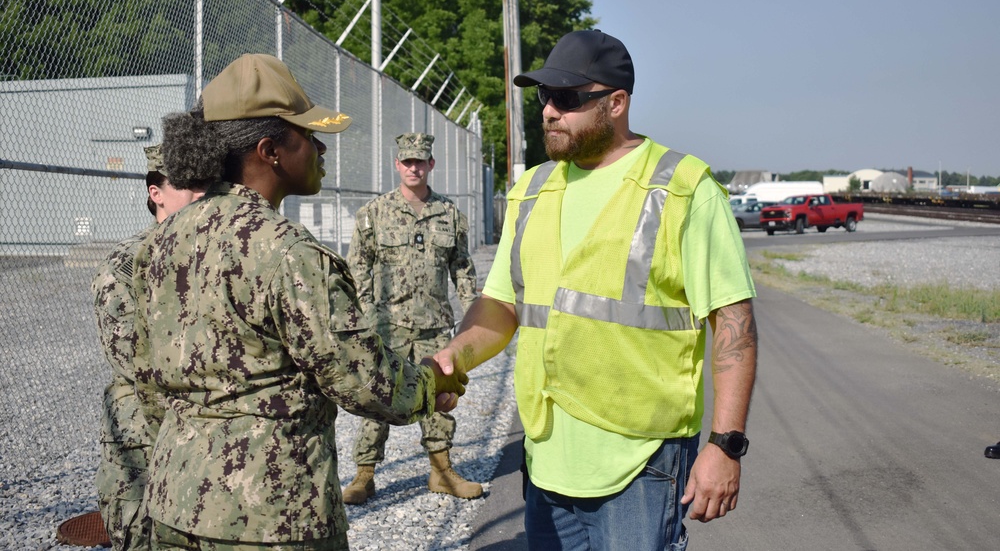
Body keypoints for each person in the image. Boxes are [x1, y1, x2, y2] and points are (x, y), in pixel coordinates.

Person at [434, 30, 759, 550]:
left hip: (641, 464)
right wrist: (453, 357)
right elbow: (502, 305)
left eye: (567, 99)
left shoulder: (681, 188)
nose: (549, 112)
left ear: (616, 103)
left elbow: (733, 324)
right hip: (545, 460)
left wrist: (725, 445)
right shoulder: (532, 190)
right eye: (543, 97)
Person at [130, 53, 466, 551]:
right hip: (271, 514)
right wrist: (432, 382)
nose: (320, 148)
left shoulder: (160, 242)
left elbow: (147, 377)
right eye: (307, 136)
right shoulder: (289, 252)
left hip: (173, 503)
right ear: (270, 151)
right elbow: (365, 383)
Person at [56, 148, 204, 551]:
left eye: (202, 183)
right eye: (184, 185)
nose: (198, 194)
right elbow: (125, 354)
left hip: (206, 415)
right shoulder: (126, 261)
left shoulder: (217, 252)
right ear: (156, 193)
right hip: (144, 416)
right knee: (141, 531)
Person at [342, 132, 482, 504]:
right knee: (377, 399)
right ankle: (364, 476)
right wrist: (366, 319)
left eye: (420, 161)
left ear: (430, 165)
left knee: (442, 396)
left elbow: (463, 269)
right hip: (387, 327)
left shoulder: (449, 214)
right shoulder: (375, 214)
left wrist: (473, 319)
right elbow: (358, 269)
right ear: (397, 165)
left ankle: (442, 471)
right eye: (407, 162)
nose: (413, 168)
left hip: (436, 326)